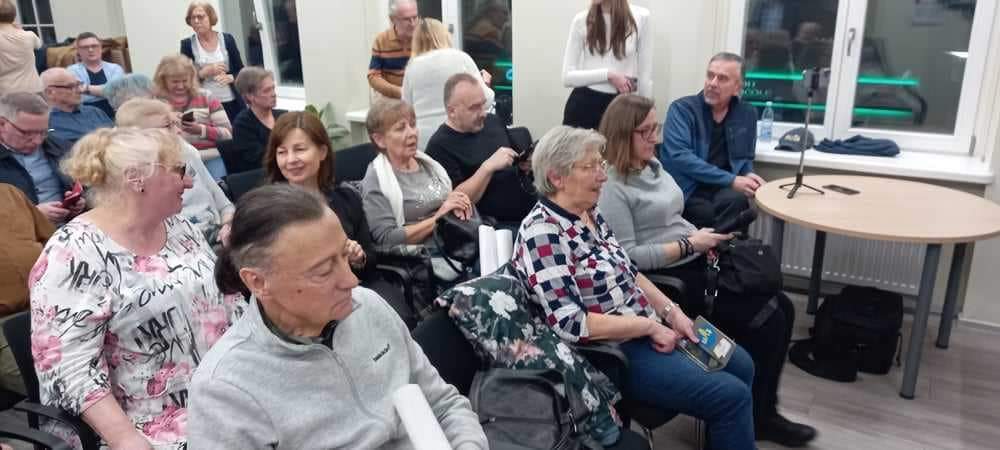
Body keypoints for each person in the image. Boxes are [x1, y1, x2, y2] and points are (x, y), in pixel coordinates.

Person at [511, 125, 756, 450]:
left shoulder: (589, 212)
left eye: (601, 164)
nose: (603, 176)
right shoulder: (543, 233)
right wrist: (649, 327)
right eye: (590, 167)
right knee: (731, 397)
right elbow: (571, 323)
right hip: (612, 352)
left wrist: (674, 314)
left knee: (742, 364)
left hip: (645, 324)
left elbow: (629, 271)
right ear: (557, 177)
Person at [187, 184, 487, 449]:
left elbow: (443, 405)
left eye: (344, 255)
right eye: (323, 271)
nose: (351, 280)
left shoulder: (368, 306)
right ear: (258, 282)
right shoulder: (224, 390)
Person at [598, 94, 818, 447]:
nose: (656, 137)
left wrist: (701, 236)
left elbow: (671, 217)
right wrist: (690, 244)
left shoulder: (652, 165)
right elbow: (628, 257)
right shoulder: (613, 187)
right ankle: (756, 416)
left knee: (782, 306)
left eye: (656, 127)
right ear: (623, 134)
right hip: (673, 278)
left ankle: (758, 412)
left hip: (696, 257)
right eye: (646, 131)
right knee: (770, 316)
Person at [29, 127, 244, 449]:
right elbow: (69, 370)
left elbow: (229, 303)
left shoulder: (179, 227)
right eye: (179, 170)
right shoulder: (74, 254)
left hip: (221, 397)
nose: (189, 182)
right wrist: (126, 439)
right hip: (143, 425)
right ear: (135, 178)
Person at [263, 111, 414, 325]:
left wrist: (358, 258)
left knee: (397, 320)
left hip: (359, 286)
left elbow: (371, 258)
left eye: (299, 149)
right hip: (307, 299)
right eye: (282, 152)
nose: (291, 160)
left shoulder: (346, 199)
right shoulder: (270, 211)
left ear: (322, 151)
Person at [660, 52, 765, 230]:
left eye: (722, 78)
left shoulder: (747, 113)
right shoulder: (682, 109)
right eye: (710, 75)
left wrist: (747, 174)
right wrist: (732, 180)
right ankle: (711, 245)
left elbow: (744, 157)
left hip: (723, 187)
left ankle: (723, 246)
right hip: (689, 187)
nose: (713, 83)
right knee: (707, 212)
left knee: (739, 202)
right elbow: (680, 157)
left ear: (737, 88)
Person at [116, 97, 235, 247]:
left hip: (218, 238)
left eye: (175, 123)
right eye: (168, 126)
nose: (178, 131)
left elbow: (224, 205)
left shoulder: (185, 151)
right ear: (138, 137)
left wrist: (227, 227)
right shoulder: (135, 180)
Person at [361, 99, 474, 250]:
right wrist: (438, 218)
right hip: (423, 257)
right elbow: (387, 238)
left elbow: (445, 201)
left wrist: (457, 203)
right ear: (379, 140)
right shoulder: (376, 179)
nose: (412, 133)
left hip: (456, 243)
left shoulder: (427, 164)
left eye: (413, 125)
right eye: (401, 128)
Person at [425, 73, 534, 226]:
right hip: (493, 226)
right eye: (474, 108)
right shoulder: (439, 146)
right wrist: (487, 167)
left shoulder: (492, 122)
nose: (483, 113)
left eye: (483, 105)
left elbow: (514, 158)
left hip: (529, 208)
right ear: (452, 111)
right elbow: (455, 202)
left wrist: (524, 164)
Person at [402, 18, 494, 150]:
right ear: (444, 35)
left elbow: (406, 109)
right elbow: (487, 101)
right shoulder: (461, 58)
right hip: (457, 137)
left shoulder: (411, 67)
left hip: (423, 143)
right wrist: (485, 84)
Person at [562, 0, 652, 130]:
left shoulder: (641, 17)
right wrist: (609, 75)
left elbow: (645, 77)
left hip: (623, 107)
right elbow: (567, 77)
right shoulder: (581, 20)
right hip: (584, 107)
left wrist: (646, 114)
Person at [0, 183, 54, 396]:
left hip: (48, 305)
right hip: (3, 324)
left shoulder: (10, 193)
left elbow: (52, 241)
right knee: (45, 387)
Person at [0, 92, 83, 224]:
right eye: (27, 133)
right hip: (18, 233)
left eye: (43, 132)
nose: (37, 141)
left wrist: (79, 204)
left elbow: (87, 187)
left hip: (69, 227)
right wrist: (32, 214)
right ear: (2, 124)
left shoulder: (61, 148)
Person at [154, 54, 233, 180]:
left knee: (220, 187)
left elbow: (228, 134)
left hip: (211, 157)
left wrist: (201, 130)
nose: (181, 86)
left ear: (192, 78)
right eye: (175, 82)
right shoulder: (156, 103)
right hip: (175, 162)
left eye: (185, 81)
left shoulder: (207, 97)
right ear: (163, 80)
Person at [180, 0, 245, 121]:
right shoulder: (187, 45)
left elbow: (241, 70)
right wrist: (203, 73)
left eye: (200, 17)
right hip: (204, 105)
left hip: (231, 101)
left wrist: (232, 77)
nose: (196, 21)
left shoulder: (227, 39)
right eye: (192, 18)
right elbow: (184, 80)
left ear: (210, 17)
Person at [41, 67, 113, 145]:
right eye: (70, 87)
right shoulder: (45, 123)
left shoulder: (95, 112)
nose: (79, 90)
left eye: (78, 85)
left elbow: (116, 136)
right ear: (50, 92)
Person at [67, 32, 125, 119]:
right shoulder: (71, 71)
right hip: (85, 116)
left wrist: (86, 89)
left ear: (101, 48)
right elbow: (77, 97)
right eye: (85, 47)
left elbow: (115, 92)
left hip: (115, 115)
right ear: (78, 51)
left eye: (94, 46)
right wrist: (106, 91)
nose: (90, 50)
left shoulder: (115, 68)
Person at [368, 0, 419, 99]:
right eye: (406, 19)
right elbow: (373, 76)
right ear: (392, 19)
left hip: (418, 98)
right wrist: (399, 92)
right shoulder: (381, 40)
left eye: (415, 17)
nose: (413, 24)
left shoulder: (425, 38)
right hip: (392, 100)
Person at [232, 66, 285, 152]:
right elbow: (258, 157)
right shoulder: (242, 125)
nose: (274, 94)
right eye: (267, 90)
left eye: (273, 88)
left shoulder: (283, 116)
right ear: (250, 96)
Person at [0, 0, 43, 96]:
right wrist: (20, 30)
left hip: (6, 93)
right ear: (14, 15)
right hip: (33, 90)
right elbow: (39, 45)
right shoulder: (29, 35)